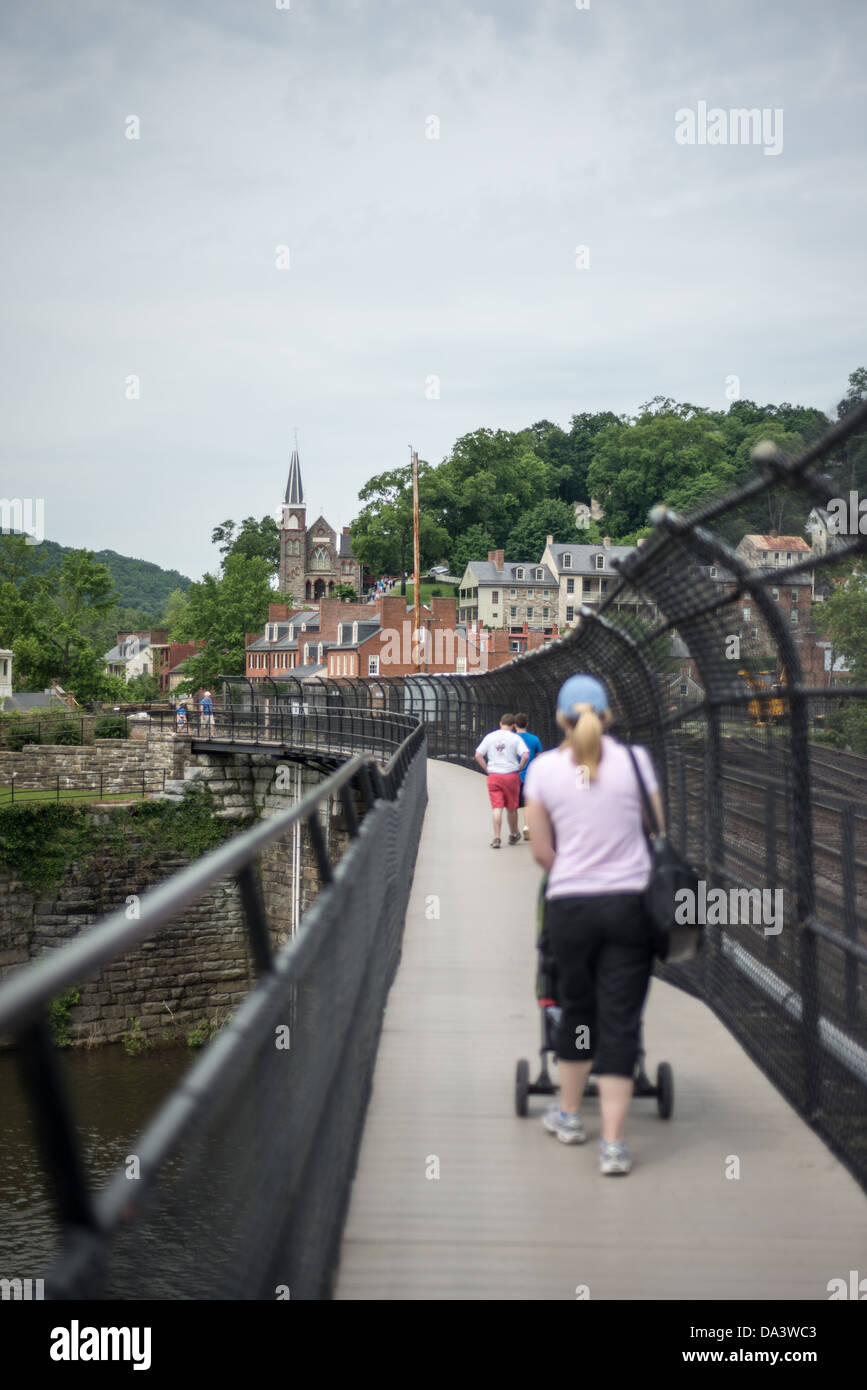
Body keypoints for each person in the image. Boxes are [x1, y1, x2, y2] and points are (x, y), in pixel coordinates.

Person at [524, 674, 664, 1176]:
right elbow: (655, 832)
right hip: (630, 907)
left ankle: (568, 1115)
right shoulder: (635, 761)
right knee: (621, 1020)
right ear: (607, 716)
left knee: (578, 1009)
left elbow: (543, 852)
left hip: (571, 910)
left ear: (561, 719)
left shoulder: (542, 771)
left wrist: (576, 872)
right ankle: (614, 1144)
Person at [474, 713, 529, 848]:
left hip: (494, 776)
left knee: (497, 807)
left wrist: (487, 769)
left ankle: (497, 837)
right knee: (511, 808)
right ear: (513, 726)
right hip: (511, 775)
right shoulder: (515, 738)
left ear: (500, 723)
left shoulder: (490, 737)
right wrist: (519, 767)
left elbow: (478, 755)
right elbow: (526, 755)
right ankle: (513, 833)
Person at [514, 712, 543, 840]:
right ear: (527, 724)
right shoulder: (534, 739)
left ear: (514, 725)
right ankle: (527, 826)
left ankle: (514, 829)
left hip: (514, 776)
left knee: (512, 805)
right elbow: (539, 757)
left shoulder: (511, 739)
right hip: (529, 776)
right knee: (528, 803)